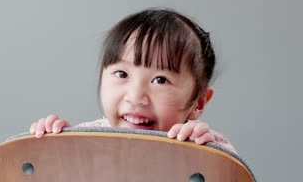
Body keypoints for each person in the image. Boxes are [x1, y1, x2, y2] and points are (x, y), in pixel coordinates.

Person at [30, 8, 237, 154]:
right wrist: (54, 150)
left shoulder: (203, 145)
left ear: (198, 102)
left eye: (160, 80)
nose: (136, 97)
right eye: (122, 74)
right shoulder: (85, 140)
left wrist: (204, 155)